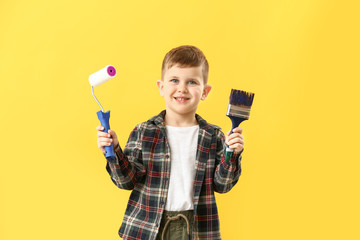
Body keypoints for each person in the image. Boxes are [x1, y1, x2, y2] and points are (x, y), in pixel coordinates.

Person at [96, 45, 245, 240]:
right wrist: (114, 150)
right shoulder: (144, 132)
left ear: (205, 91)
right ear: (161, 87)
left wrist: (231, 154)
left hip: (197, 228)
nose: (182, 88)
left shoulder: (214, 136)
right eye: (174, 80)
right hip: (148, 228)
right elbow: (126, 181)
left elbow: (222, 185)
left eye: (192, 82)